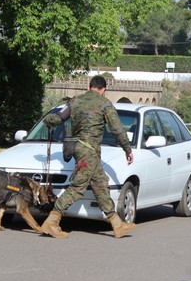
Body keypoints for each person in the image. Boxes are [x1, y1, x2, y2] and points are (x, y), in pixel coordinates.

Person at [41, 75, 136, 239]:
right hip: (89, 151)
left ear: (89, 86)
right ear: (104, 89)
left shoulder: (75, 101)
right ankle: (51, 221)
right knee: (78, 188)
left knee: (100, 184)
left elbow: (58, 118)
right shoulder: (104, 103)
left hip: (79, 148)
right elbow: (117, 129)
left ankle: (117, 225)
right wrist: (127, 149)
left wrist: (47, 119)